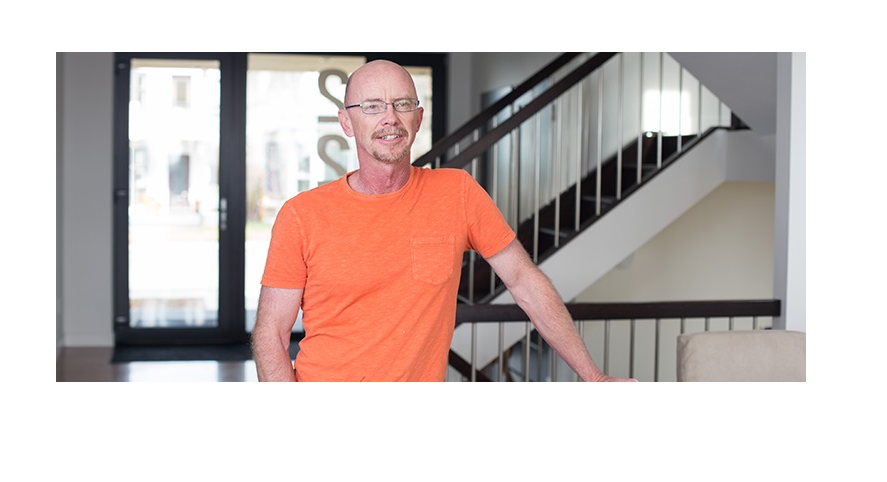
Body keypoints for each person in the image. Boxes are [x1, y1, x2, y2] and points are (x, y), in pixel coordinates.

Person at [251, 60, 635, 382]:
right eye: (371, 106)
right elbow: (271, 332)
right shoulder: (301, 214)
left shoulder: (457, 193)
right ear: (347, 123)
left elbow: (524, 281)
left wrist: (595, 378)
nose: (389, 117)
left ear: (418, 119)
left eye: (402, 104)